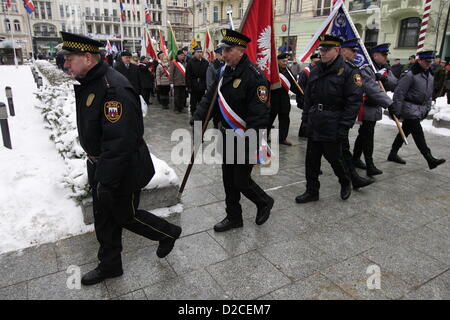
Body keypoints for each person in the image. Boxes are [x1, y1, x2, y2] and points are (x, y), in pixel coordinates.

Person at [59, 31, 182, 286]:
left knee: (127, 215)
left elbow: (120, 140)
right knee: (104, 217)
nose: (65, 63)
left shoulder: (112, 88)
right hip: (100, 163)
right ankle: (110, 265)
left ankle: (168, 232)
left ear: (88, 58)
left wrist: (106, 179)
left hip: (121, 167)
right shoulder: (91, 81)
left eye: (70, 58)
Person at [192, 29, 274, 232]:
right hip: (226, 136)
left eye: (228, 50)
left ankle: (264, 201)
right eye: (223, 50)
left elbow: (259, 116)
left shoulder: (255, 77)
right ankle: (234, 217)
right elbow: (208, 100)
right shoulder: (223, 72)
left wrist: (251, 146)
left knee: (241, 181)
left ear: (240, 50)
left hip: (246, 138)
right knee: (228, 180)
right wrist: (197, 124)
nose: (224, 54)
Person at [295, 35, 363, 204]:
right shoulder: (317, 69)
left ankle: (345, 181)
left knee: (335, 158)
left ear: (337, 50)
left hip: (333, 122)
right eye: (321, 49)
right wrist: (305, 118)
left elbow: (354, 101)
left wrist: (344, 126)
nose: (322, 53)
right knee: (311, 159)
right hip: (315, 120)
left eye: (326, 50)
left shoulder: (349, 71)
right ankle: (312, 191)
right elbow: (309, 96)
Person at [388, 50, 446, 169]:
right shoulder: (409, 74)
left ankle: (393, 153)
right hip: (409, 107)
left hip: (420, 108)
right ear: (419, 60)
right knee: (418, 133)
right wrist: (397, 110)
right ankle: (429, 158)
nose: (428, 64)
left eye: (430, 61)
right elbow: (399, 93)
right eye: (426, 61)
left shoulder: (430, 74)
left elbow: (429, 94)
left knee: (405, 130)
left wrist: (427, 108)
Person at [352, 43, 398, 176]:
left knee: (363, 135)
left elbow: (394, 83)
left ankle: (355, 158)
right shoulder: (367, 69)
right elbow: (372, 90)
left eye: (386, 55)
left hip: (375, 107)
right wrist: (389, 104)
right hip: (366, 107)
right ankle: (370, 164)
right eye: (383, 55)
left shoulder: (384, 68)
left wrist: (384, 78)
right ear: (374, 55)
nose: (385, 57)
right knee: (368, 136)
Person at [338, 39, 375, 189]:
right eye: (353, 51)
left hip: (339, 117)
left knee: (343, 150)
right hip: (329, 116)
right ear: (344, 51)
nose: (355, 54)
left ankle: (353, 178)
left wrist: (346, 121)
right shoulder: (336, 67)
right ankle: (312, 186)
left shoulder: (351, 68)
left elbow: (354, 97)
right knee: (327, 150)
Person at [269, 52, 302, 146]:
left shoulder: (288, 71)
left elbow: (293, 84)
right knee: (270, 118)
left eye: (286, 61)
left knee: (284, 119)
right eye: (283, 61)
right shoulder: (273, 70)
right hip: (274, 97)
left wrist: (301, 94)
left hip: (284, 98)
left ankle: (282, 138)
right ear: (278, 61)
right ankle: (265, 136)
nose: (285, 63)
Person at [297, 53, 320, 138]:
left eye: (319, 62)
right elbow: (301, 86)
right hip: (306, 98)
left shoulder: (319, 70)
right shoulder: (306, 71)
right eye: (315, 62)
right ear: (311, 61)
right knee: (306, 117)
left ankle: (308, 132)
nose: (317, 63)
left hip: (314, 98)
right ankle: (303, 133)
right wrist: (302, 98)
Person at [186, 45, 209, 117]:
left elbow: (207, 75)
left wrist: (206, 86)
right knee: (193, 103)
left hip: (202, 86)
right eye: (198, 52)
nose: (199, 53)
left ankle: (199, 118)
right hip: (194, 85)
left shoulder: (205, 62)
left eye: (200, 52)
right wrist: (188, 86)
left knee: (201, 103)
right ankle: (193, 117)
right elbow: (188, 75)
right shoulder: (190, 62)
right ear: (195, 53)